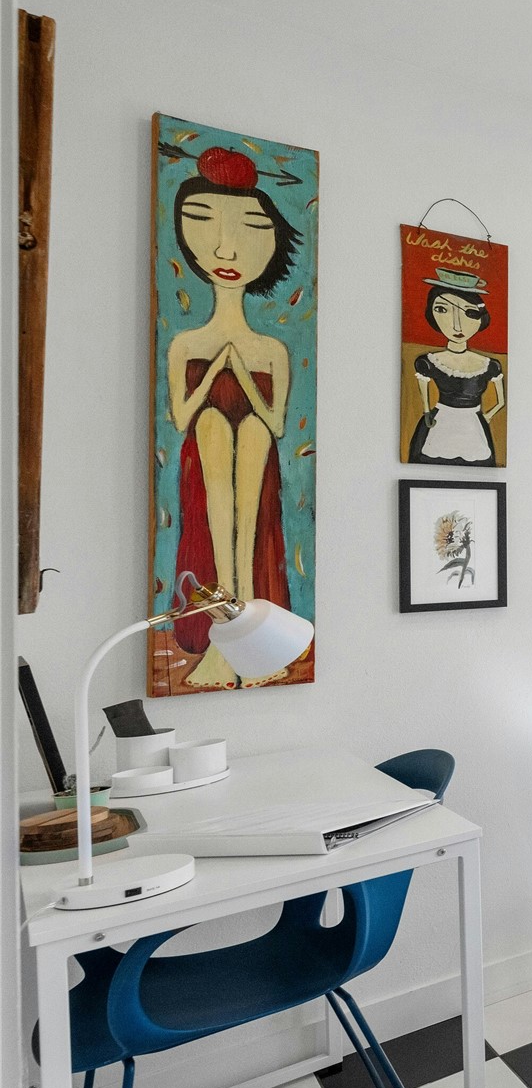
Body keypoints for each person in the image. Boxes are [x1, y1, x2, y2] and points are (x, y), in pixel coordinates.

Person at [164, 146, 300, 687]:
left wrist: (237, 374)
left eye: (250, 228)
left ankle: (248, 631)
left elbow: (276, 421)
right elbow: (181, 418)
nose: (226, 246)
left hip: (256, 452)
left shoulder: (271, 349)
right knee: (212, 427)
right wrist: (216, 369)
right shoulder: (187, 344)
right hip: (211, 449)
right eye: (202, 223)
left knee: (248, 430)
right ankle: (226, 638)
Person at [408, 268, 506, 465]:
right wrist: (427, 413)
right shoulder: (429, 361)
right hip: (440, 423)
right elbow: (424, 396)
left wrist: (484, 418)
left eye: (469, 313)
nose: (457, 325)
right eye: (442, 310)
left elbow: (501, 401)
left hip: (473, 425)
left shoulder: (489, 365)